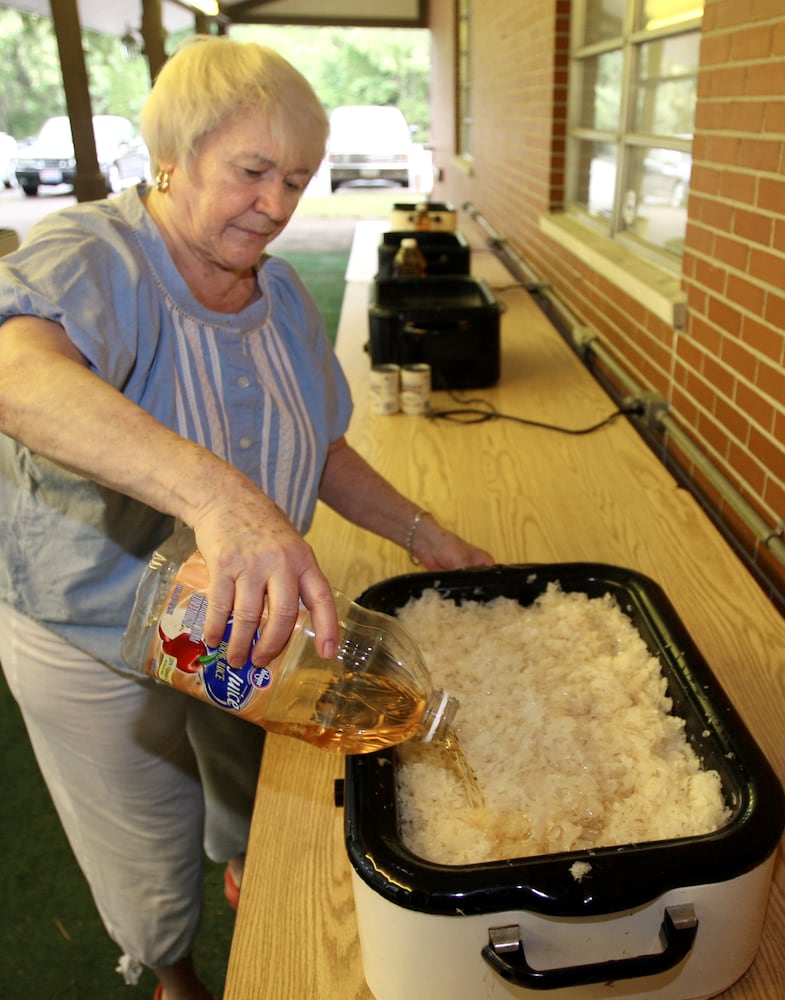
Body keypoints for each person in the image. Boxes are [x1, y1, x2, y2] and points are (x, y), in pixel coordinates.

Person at [0, 36, 493, 1000]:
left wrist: (424, 534)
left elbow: (323, 446)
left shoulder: (274, 297)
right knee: (140, 828)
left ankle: (244, 865)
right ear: (172, 157)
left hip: (233, 611)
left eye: (297, 179)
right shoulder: (93, 255)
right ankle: (172, 966)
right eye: (253, 171)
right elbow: (17, 376)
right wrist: (221, 497)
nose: (276, 206)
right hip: (87, 620)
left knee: (251, 772)